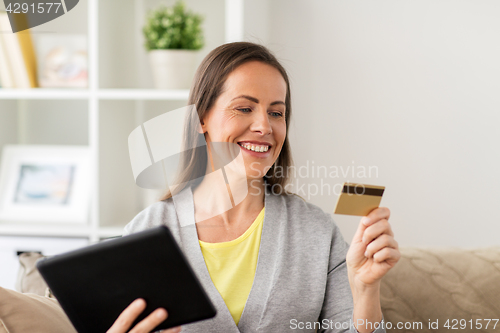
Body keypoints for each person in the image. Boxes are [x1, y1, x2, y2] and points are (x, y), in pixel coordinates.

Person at [106, 42, 400, 333]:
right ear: (201, 119)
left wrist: (364, 292)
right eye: (244, 108)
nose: (264, 126)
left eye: (276, 113)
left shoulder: (317, 232)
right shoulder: (145, 234)